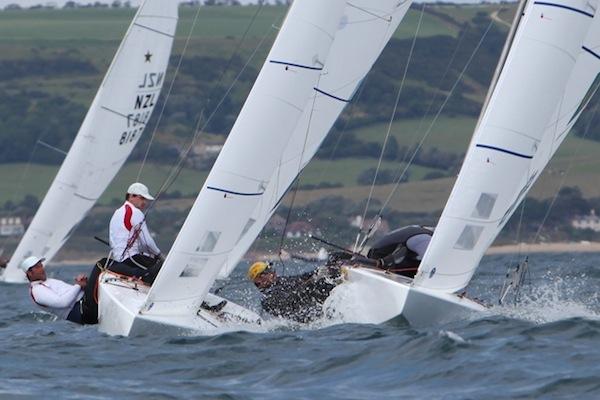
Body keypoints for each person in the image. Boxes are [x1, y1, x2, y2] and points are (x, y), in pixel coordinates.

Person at [248, 261, 340, 323]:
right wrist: (312, 281)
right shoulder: (267, 300)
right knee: (320, 285)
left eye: (271, 269)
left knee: (331, 268)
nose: (273, 272)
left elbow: (301, 278)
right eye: (268, 271)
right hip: (310, 320)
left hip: (316, 308)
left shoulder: (280, 281)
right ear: (259, 279)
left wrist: (321, 270)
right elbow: (292, 299)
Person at [109, 182, 162, 284]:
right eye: (142, 198)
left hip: (119, 262)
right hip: (131, 259)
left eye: (145, 199)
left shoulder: (117, 212)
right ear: (131, 196)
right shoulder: (135, 212)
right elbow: (147, 242)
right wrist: (159, 255)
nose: (144, 202)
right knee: (164, 268)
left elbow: (113, 241)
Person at [21, 256, 88, 324]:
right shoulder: (36, 291)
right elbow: (63, 303)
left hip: (84, 303)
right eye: (38, 267)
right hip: (80, 311)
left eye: (41, 266)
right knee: (98, 266)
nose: (42, 269)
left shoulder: (49, 281)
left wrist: (83, 284)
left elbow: (76, 291)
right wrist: (78, 285)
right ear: (30, 273)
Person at [367, 225, 433, 278]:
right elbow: (431, 264)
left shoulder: (418, 229)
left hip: (374, 254)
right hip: (381, 259)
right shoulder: (424, 239)